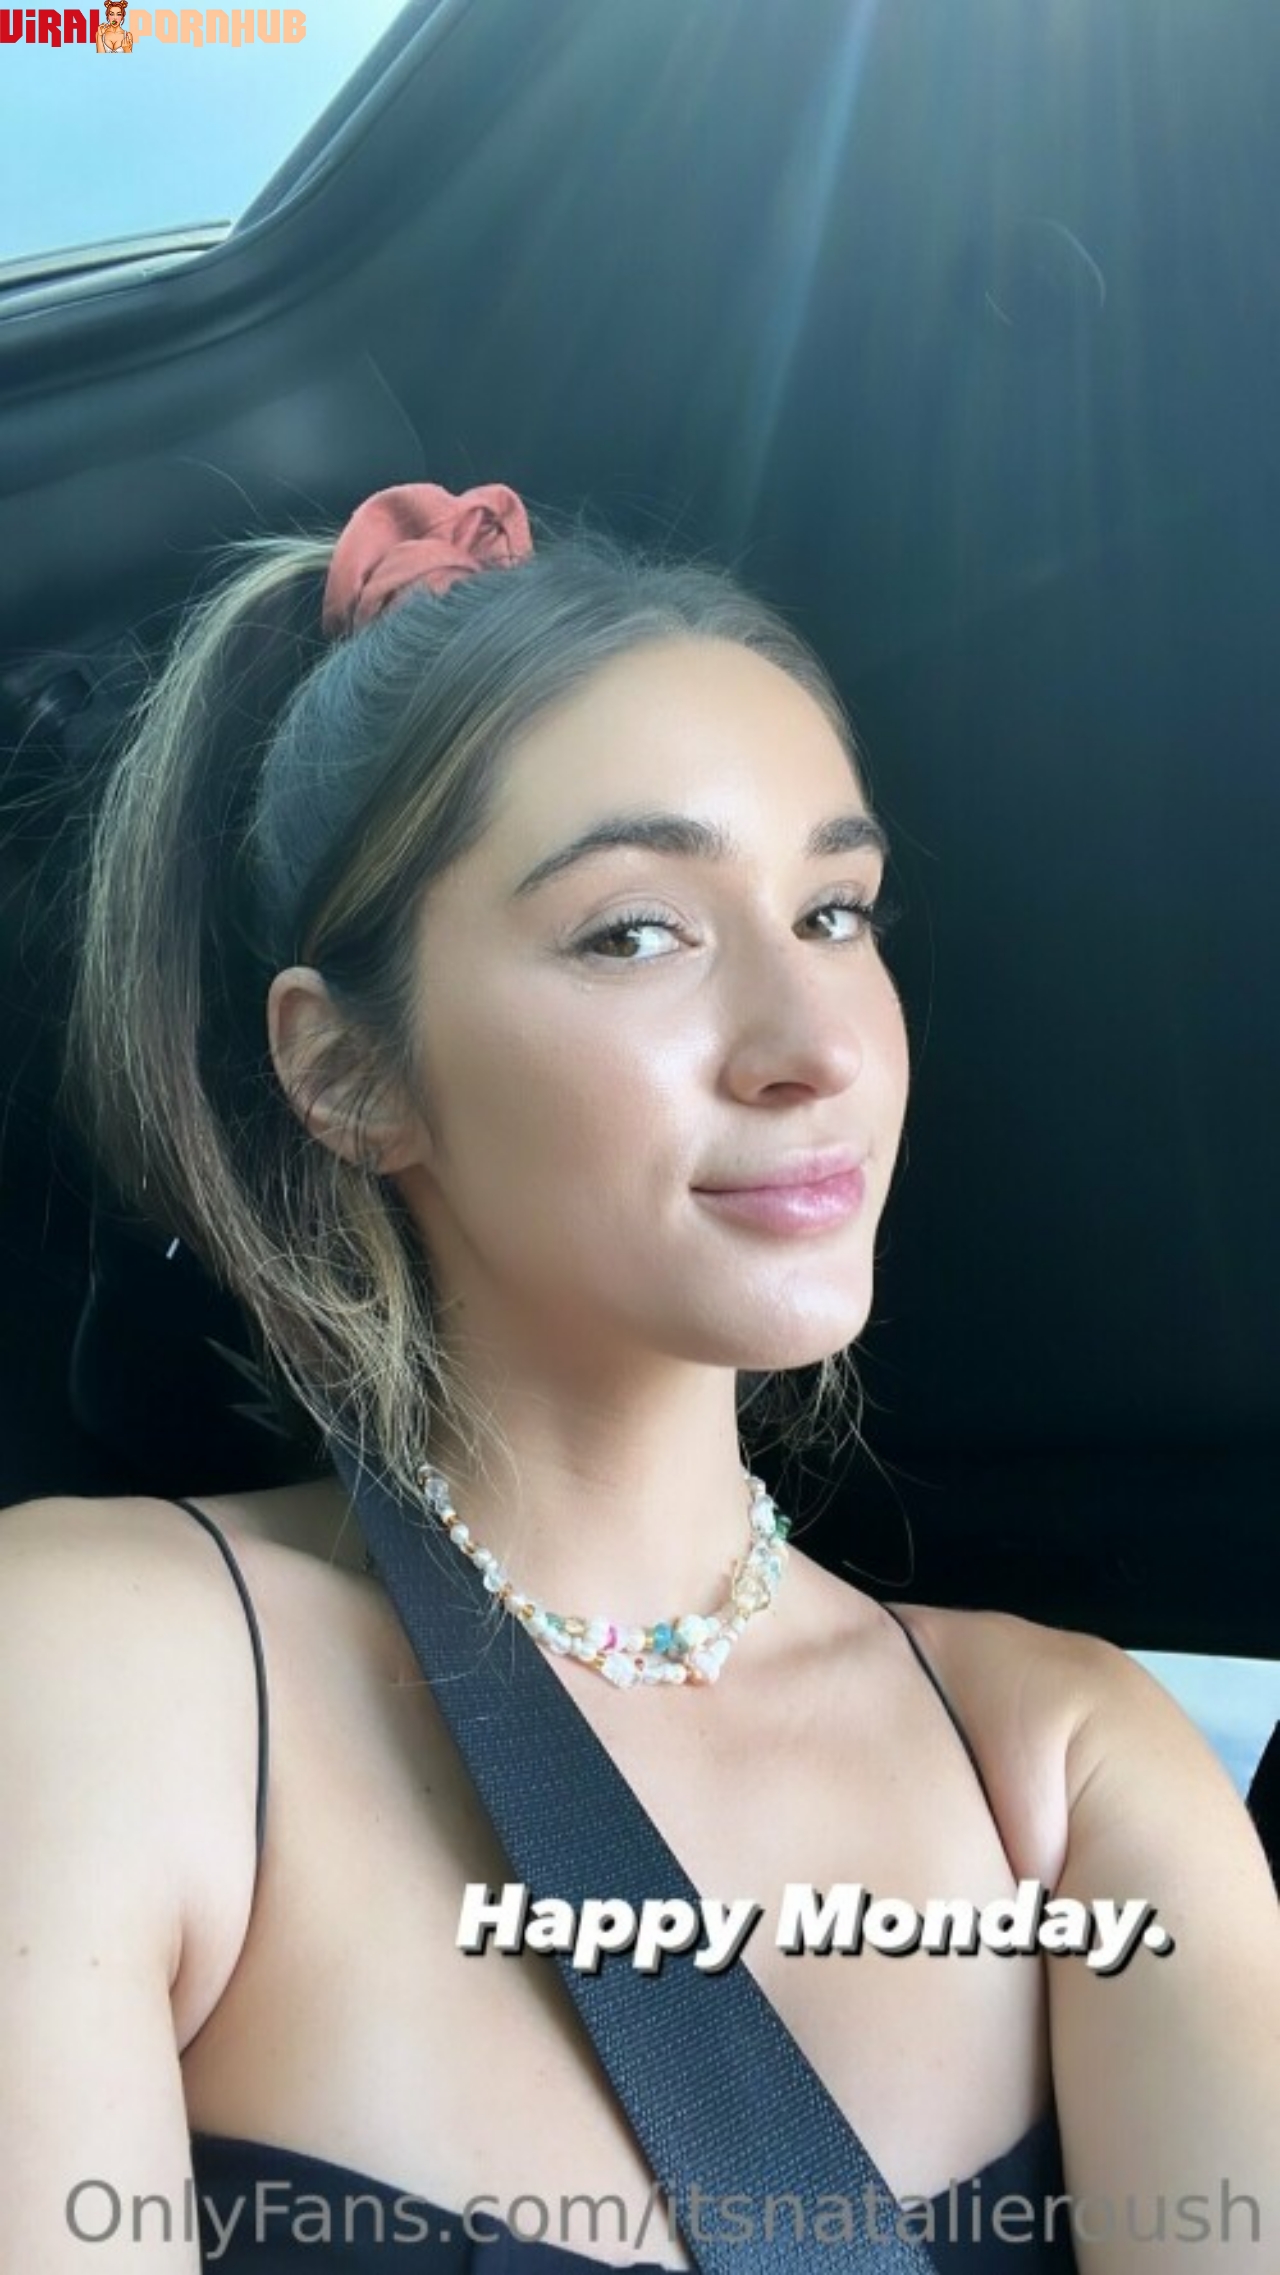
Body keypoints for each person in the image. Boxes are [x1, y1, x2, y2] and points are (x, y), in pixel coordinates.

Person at [1, 481, 1276, 2273]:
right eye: (636, 930)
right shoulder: (105, 1668)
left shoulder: (1067, 1772)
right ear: (350, 1070)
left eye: (835, 911)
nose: (815, 1045)